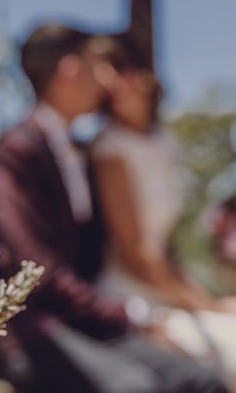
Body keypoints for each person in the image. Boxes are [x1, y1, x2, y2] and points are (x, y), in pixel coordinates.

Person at [0, 23, 228, 392]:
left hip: (81, 320)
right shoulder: (14, 155)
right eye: (97, 67)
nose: (105, 81)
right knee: (134, 387)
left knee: (200, 380)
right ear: (71, 70)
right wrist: (129, 314)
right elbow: (33, 270)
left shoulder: (79, 150)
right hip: (23, 328)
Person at [90, 33, 236, 390]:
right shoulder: (109, 148)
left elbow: (163, 246)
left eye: (119, 68)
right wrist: (207, 304)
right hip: (128, 296)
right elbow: (135, 254)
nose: (112, 82)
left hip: (167, 291)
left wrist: (203, 300)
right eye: (102, 72)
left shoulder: (163, 143)